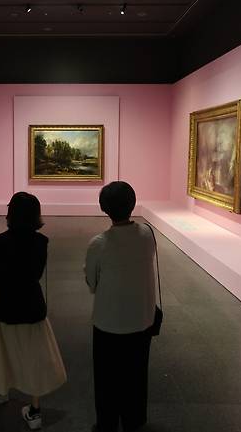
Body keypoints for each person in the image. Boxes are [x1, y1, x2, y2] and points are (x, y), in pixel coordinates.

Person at [0, 191, 67, 430]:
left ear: (11, 213)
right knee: (35, 356)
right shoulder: (41, 241)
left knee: (2, 350)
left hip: (3, 305)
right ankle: (35, 410)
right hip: (32, 304)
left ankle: (1, 389)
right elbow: (36, 274)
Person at [84, 181, 156, 432]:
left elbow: (92, 282)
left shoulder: (99, 243)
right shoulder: (148, 233)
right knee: (136, 374)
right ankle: (134, 420)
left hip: (109, 323)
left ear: (104, 208)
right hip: (142, 319)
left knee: (107, 379)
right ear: (132, 203)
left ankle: (107, 423)